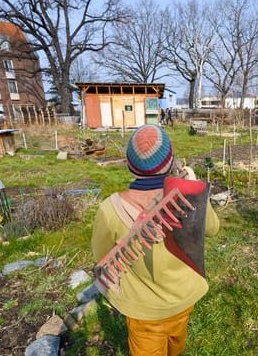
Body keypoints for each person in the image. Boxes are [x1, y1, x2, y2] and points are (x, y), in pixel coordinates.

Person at [91, 124, 220, 355]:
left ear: (130, 167)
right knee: (176, 345)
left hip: (144, 311)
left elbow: (101, 257)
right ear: (171, 163)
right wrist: (195, 188)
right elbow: (213, 228)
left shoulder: (109, 209)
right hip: (183, 299)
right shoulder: (188, 198)